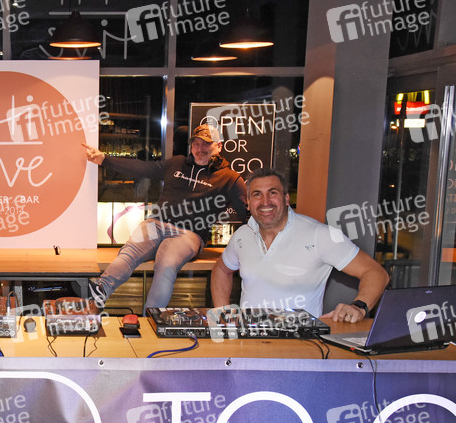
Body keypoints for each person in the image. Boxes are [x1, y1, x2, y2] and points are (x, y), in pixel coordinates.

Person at [81, 124, 248, 309]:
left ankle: (151, 318)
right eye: (196, 144)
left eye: (206, 144)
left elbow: (248, 214)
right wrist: (104, 159)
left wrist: (253, 247)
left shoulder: (231, 178)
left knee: (166, 266)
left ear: (219, 146)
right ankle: (100, 290)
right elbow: (142, 168)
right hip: (156, 223)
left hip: (188, 234)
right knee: (129, 252)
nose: (200, 149)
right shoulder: (176, 163)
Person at [210, 168, 390, 322]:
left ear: (286, 198)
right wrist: (223, 313)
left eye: (273, 193)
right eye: (257, 194)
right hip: (248, 341)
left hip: (302, 344)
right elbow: (221, 270)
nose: (265, 201)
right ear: (248, 203)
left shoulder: (322, 235)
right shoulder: (242, 235)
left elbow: (376, 273)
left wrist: (359, 307)